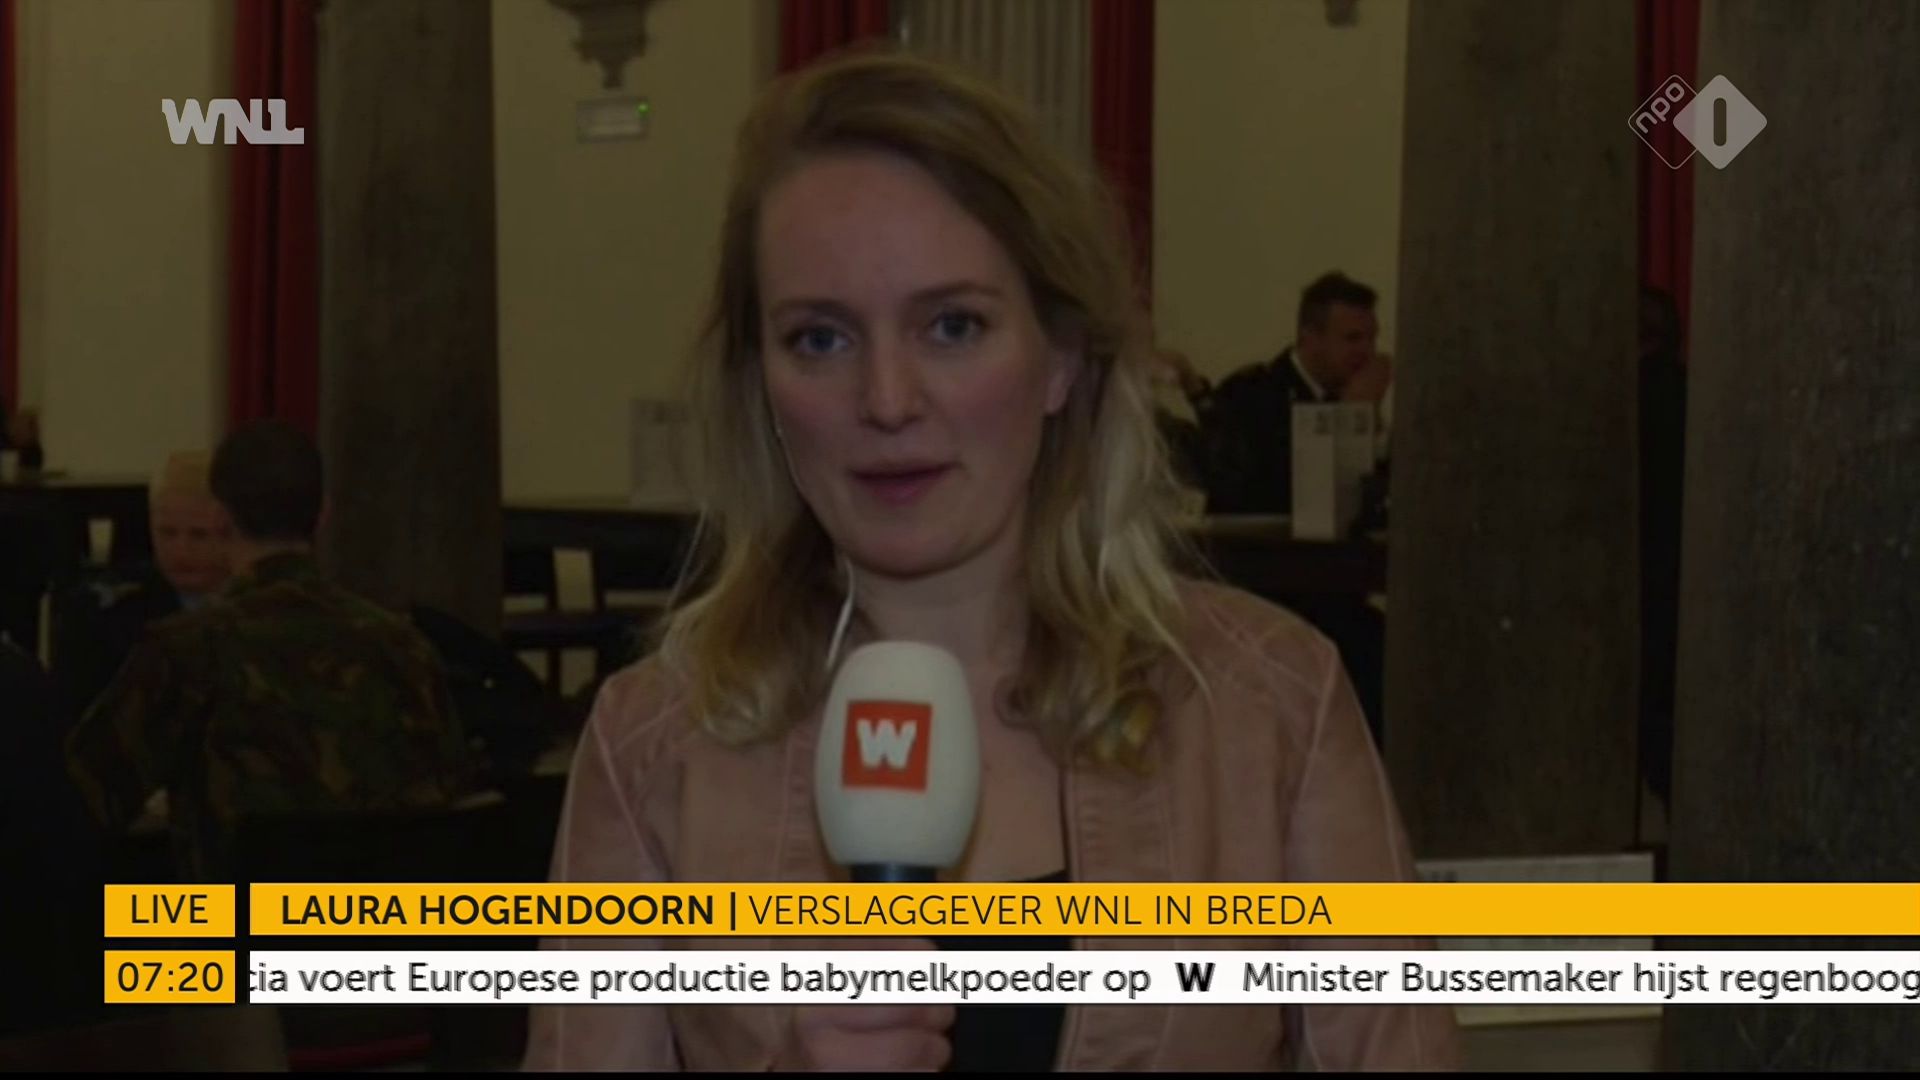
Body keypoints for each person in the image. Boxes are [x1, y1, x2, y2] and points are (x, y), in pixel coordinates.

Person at [525, 51, 1455, 1071]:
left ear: (1061, 358)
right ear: (761, 385)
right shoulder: (653, 743)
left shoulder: (1270, 701)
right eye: (821, 339)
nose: (887, 400)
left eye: (952, 326)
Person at [64, 420, 472, 881]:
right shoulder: (403, 646)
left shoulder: (188, 648)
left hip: (224, 919)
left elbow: (82, 802)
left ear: (220, 520)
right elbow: (449, 796)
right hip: (380, 920)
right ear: (322, 515)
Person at [1174, 271, 1391, 514]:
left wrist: (1370, 418)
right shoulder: (1254, 394)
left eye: (1372, 339)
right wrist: (1349, 417)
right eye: (1353, 339)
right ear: (1309, 338)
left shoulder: (1351, 393)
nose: (1367, 352)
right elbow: (1277, 495)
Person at [51, 451, 233, 722]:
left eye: (199, 535)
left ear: (232, 532)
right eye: (167, 532)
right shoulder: (106, 617)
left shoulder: (263, 607)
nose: (181, 551)